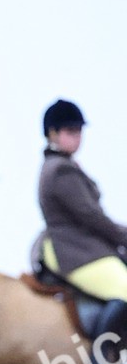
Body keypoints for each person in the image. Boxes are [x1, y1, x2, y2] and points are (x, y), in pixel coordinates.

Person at [38, 99, 127, 302]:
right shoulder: (60, 170)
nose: (77, 137)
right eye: (70, 131)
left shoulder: (64, 165)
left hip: (83, 246)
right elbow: (92, 217)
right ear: (53, 133)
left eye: (79, 131)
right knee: (124, 290)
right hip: (76, 249)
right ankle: (107, 336)